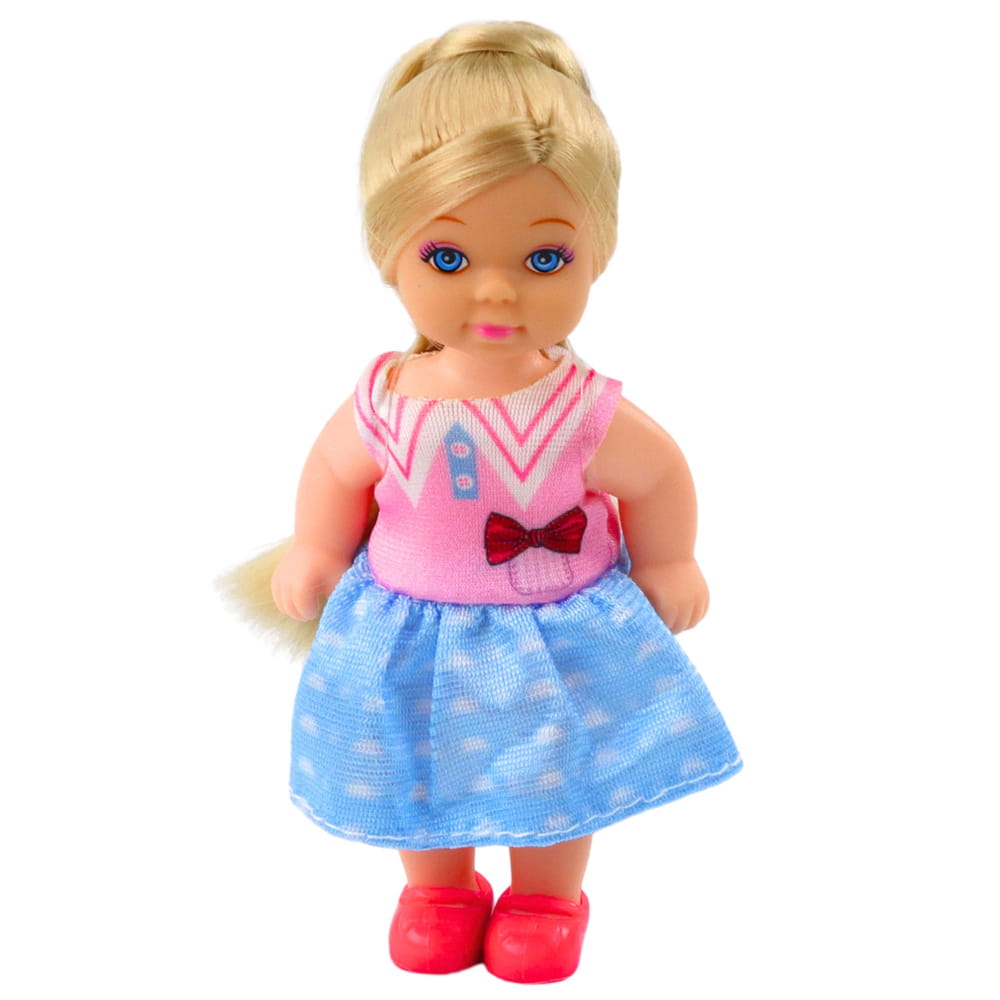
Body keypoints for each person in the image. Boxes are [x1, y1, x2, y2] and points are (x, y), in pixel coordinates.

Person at [262, 21, 741, 984]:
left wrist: (669, 559)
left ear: (596, 253)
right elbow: (334, 470)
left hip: (549, 634)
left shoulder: (581, 410)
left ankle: (545, 898)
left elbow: (658, 474)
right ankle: (438, 890)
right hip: (412, 628)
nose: (497, 293)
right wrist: (315, 547)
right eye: (447, 259)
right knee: (416, 762)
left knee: (552, 769)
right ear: (389, 252)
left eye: (543, 260)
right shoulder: (388, 396)